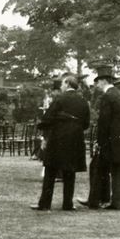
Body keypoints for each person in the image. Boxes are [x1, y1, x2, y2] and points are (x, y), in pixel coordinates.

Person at [31, 74, 89, 211]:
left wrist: (44, 129)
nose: (61, 86)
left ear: (68, 83)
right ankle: (67, 204)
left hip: (59, 138)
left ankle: (45, 204)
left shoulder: (60, 99)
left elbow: (47, 118)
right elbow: (86, 124)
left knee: (50, 170)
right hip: (75, 139)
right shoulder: (83, 101)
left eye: (62, 84)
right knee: (70, 172)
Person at [90, 66, 120, 210]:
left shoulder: (107, 97)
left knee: (103, 168)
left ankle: (99, 200)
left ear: (102, 81)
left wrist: (99, 141)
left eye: (97, 82)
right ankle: (118, 201)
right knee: (118, 170)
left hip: (111, 140)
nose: (97, 85)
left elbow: (104, 122)